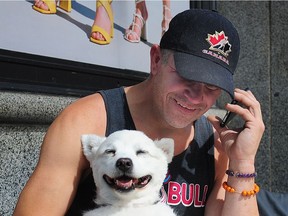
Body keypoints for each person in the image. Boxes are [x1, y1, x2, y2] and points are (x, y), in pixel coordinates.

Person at [13, 9, 265, 216]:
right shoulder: (87, 120)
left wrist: (242, 161)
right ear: (156, 60)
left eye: (212, 87)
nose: (197, 96)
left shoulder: (214, 144)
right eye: (187, 76)